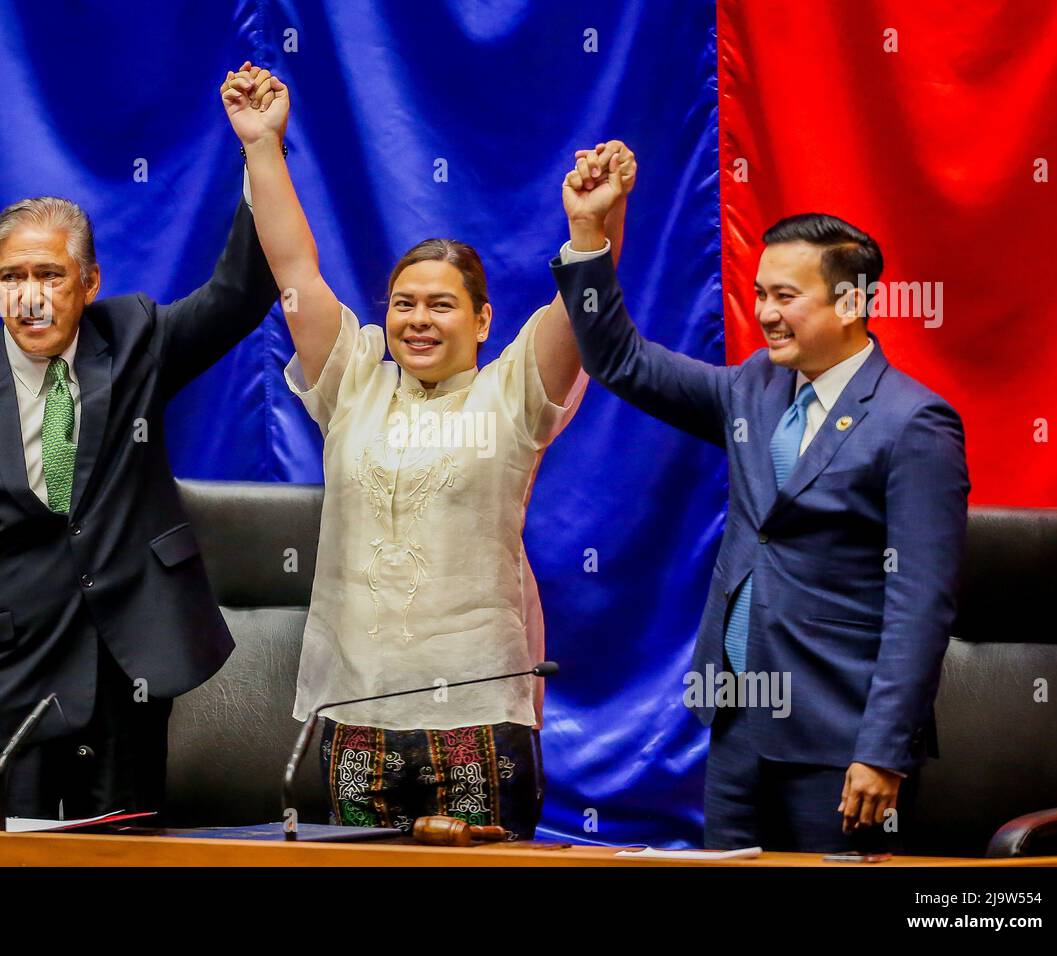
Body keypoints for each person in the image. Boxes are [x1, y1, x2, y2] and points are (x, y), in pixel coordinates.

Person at [221, 64, 633, 838]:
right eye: (403, 303)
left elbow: (580, 313)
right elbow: (295, 270)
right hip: (356, 712)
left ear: (481, 321)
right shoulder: (352, 386)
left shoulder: (513, 393)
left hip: (481, 715)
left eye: (441, 305)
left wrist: (593, 231)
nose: (417, 319)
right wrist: (264, 147)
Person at [0, 68, 280, 819]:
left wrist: (261, 153)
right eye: (12, 277)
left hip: (125, 674)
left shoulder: (135, 342)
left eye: (50, 276)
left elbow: (241, 294)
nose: (30, 295)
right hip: (0, 690)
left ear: (89, 282)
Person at [550, 183, 970, 852]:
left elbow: (921, 606)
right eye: (760, 293)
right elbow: (620, 360)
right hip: (739, 729)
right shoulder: (754, 388)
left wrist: (885, 751)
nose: (765, 312)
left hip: (842, 745)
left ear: (852, 302)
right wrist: (587, 238)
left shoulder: (914, 424)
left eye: (786, 296)